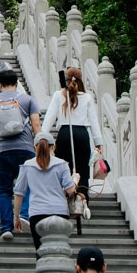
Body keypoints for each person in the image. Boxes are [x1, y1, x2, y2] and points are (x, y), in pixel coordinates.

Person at [0, 67, 41, 240]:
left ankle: (6, 227)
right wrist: (42, 147)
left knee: (5, 190)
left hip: (3, 151)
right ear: (16, 83)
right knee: (29, 185)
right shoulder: (28, 100)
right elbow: (36, 125)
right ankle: (23, 215)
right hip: (26, 149)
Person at [46, 66, 101, 227]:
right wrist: (99, 142)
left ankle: (64, 200)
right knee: (83, 169)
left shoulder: (59, 95)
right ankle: (82, 200)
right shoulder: (87, 97)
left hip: (64, 134)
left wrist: (43, 137)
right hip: (82, 134)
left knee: (64, 168)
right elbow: (93, 121)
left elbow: (49, 117)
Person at [15, 130, 77, 246]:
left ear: (35, 147)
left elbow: (19, 194)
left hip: (37, 212)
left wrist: (17, 217)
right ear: (53, 146)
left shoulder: (27, 166)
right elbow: (70, 190)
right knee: (60, 249)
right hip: (59, 211)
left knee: (40, 251)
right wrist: (75, 180)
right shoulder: (61, 164)